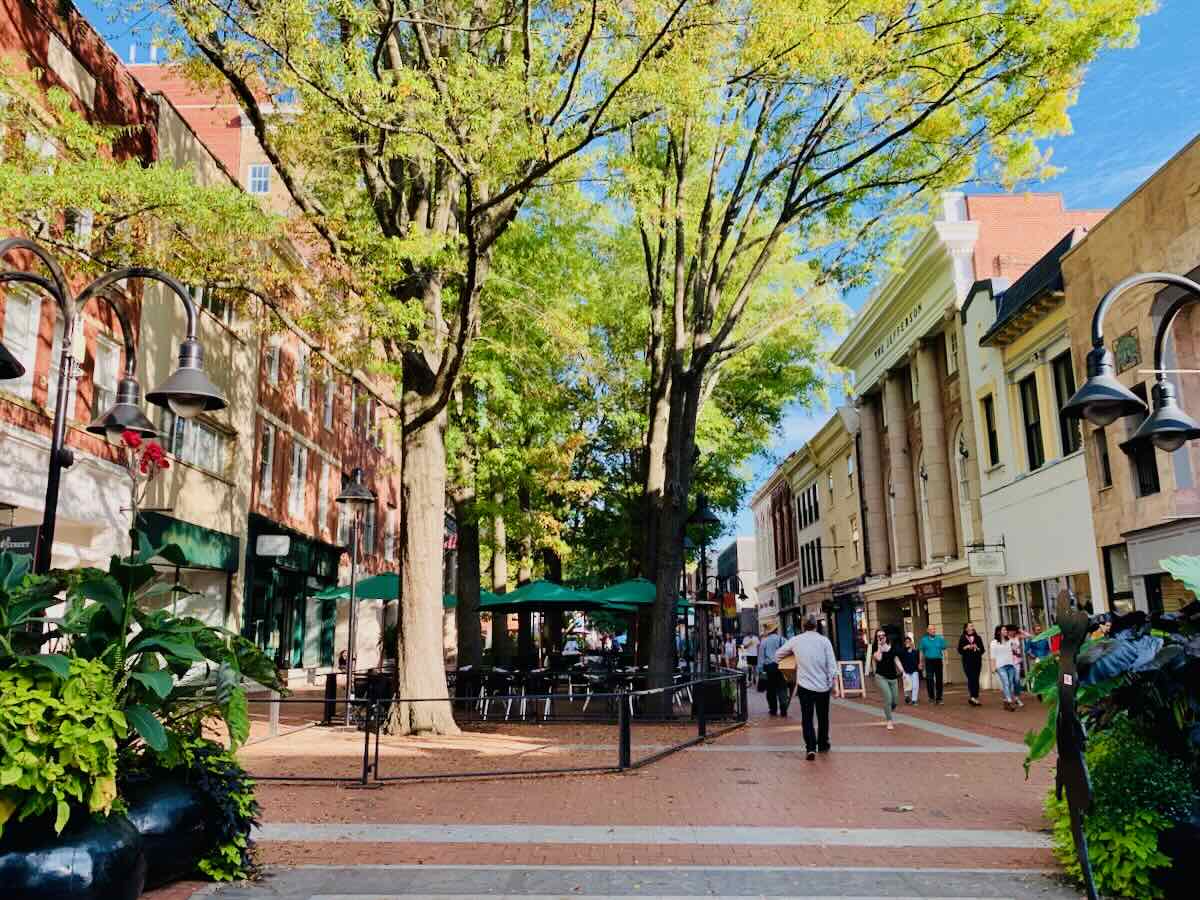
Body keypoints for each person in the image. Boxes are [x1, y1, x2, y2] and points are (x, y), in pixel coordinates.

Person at [775, 616, 837, 760]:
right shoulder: (824, 641)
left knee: (807, 717)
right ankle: (823, 743)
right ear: (816, 626)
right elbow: (832, 665)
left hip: (805, 686)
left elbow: (777, 655)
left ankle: (810, 747)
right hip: (822, 686)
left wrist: (793, 658)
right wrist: (834, 685)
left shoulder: (796, 640)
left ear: (803, 626)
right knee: (823, 717)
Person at [870, 628, 904, 731]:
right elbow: (879, 658)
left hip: (893, 677)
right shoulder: (875, 648)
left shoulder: (891, 647)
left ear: (886, 636)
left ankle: (887, 708)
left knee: (895, 701)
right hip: (881, 677)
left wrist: (903, 671)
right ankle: (889, 721)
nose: (881, 637)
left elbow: (896, 659)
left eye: (883, 635)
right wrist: (880, 647)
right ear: (876, 638)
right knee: (888, 698)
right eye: (878, 636)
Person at [758, 624, 788, 716]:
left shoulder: (764, 642)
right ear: (776, 630)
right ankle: (783, 709)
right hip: (781, 666)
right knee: (782, 688)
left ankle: (773, 709)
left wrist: (760, 670)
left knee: (770, 690)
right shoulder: (783, 640)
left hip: (769, 668)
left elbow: (761, 658)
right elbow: (788, 652)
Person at [990, 625, 1019, 710]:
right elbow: (992, 656)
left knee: (1010, 683)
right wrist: (993, 667)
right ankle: (1010, 702)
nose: (1006, 631)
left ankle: (1006, 701)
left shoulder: (1009, 640)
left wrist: (1015, 639)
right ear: (999, 632)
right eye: (1004, 630)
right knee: (1006, 682)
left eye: (1006, 630)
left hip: (1010, 665)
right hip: (1000, 666)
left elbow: (1016, 648)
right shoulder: (994, 642)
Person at [918, 623, 947, 704]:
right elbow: (921, 651)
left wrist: (946, 660)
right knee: (929, 679)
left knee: (939, 679)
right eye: (931, 629)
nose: (933, 631)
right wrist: (920, 662)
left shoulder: (940, 639)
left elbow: (944, 649)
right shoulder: (924, 640)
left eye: (934, 629)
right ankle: (931, 697)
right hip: (929, 661)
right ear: (927, 631)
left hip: (938, 660)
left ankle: (939, 698)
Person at [957, 623, 985, 706]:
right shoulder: (962, 638)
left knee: (976, 678)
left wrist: (977, 648)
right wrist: (966, 647)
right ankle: (973, 696)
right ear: (966, 629)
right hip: (967, 661)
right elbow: (959, 650)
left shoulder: (978, 638)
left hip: (977, 661)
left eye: (972, 626)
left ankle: (974, 697)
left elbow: (982, 650)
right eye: (970, 626)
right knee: (971, 678)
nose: (972, 627)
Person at [899, 635, 920, 705]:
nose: (908, 643)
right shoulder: (902, 651)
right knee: (907, 686)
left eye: (909, 641)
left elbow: (918, 661)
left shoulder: (916, 651)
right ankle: (907, 696)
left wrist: (919, 666)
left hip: (914, 671)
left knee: (915, 685)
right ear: (904, 643)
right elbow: (900, 658)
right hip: (906, 671)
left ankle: (914, 700)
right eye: (906, 642)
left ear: (911, 642)